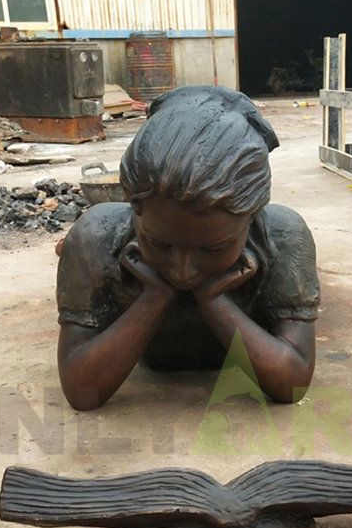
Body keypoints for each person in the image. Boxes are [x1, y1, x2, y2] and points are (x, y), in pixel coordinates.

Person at [56, 85, 320, 410]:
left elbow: (292, 384)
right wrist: (153, 298)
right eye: (158, 243)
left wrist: (214, 301)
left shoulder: (281, 235)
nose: (183, 271)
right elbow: (81, 390)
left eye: (212, 249)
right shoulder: (96, 236)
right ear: (134, 208)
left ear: (252, 218)